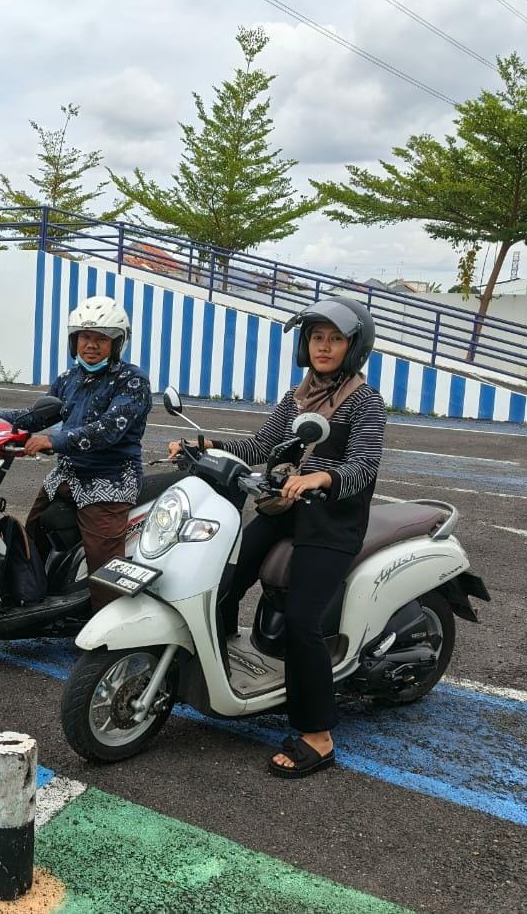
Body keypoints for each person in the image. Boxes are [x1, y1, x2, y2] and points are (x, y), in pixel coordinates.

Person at [170, 296, 385, 779]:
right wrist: (206, 444)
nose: (324, 347)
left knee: (303, 621)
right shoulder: (298, 394)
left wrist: (319, 479)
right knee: (225, 581)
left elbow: (364, 466)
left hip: (331, 522)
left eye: (334, 338)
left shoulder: (365, 400)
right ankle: (219, 669)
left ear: (353, 346)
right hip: (285, 508)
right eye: (316, 337)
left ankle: (318, 736)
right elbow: (261, 445)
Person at [0, 295, 152, 612]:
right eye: (84, 336)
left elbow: (109, 429)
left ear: (116, 343)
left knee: (103, 562)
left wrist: (53, 441)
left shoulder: (131, 380)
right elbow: (38, 415)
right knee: (32, 535)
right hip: (67, 476)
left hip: (109, 480)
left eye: (100, 338)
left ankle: (111, 630)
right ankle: (30, 602)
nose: (91, 345)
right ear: (74, 340)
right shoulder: (69, 379)